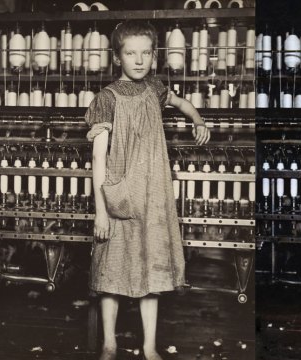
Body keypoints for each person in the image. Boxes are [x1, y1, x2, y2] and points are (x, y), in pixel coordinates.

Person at [85, 20, 210, 360]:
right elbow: (98, 158)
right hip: (118, 197)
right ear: (117, 57)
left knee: (151, 272)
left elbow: (182, 104)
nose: (138, 60)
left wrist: (198, 121)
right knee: (111, 273)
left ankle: (149, 346)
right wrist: (100, 211)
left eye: (145, 53)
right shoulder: (107, 99)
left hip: (153, 198)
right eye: (130, 53)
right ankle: (109, 343)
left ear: (154, 57)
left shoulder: (156, 88)